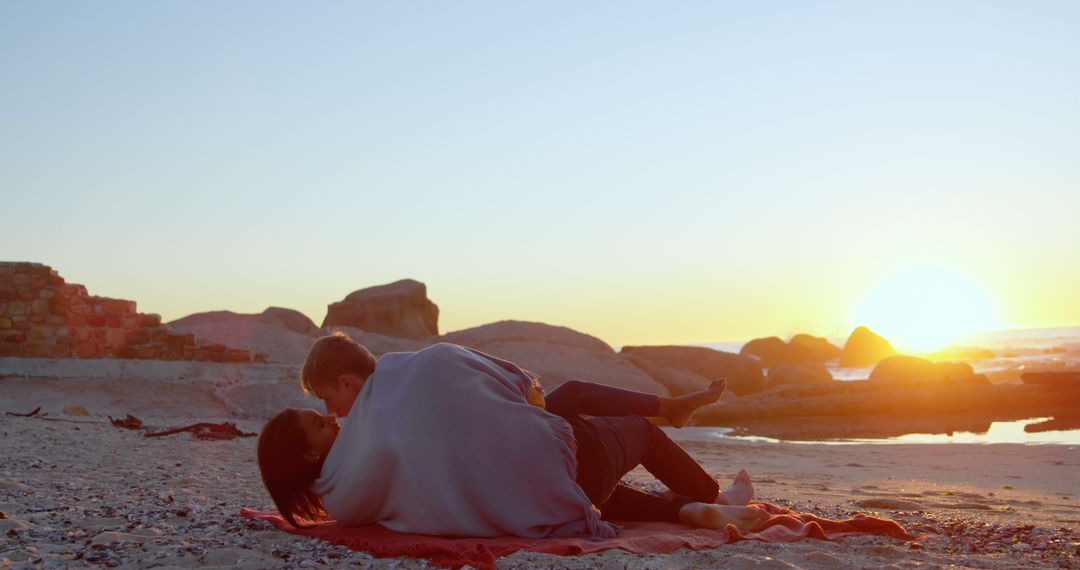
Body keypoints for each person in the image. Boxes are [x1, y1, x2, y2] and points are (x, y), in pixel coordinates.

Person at [257, 333, 768, 536]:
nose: (333, 415)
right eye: (321, 418)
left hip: (519, 496)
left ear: (347, 383)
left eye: (326, 405)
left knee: (567, 408)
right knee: (634, 432)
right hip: (557, 472)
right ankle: (710, 491)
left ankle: (687, 508)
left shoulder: (345, 485)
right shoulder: (421, 372)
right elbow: (529, 394)